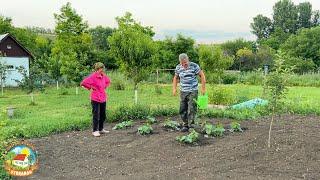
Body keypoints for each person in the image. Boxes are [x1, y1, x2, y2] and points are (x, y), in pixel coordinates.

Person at [172, 53, 206, 132]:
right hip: (183, 91)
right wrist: (174, 88)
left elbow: (202, 75)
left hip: (193, 90)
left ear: (188, 60)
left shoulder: (194, 66)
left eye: (185, 63)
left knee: (192, 108)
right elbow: (176, 78)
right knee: (182, 109)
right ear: (180, 62)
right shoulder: (178, 67)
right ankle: (185, 124)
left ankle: (191, 126)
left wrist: (203, 88)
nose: (184, 65)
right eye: (182, 63)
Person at [81, 62, 111, 137]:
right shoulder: (93, 76)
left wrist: (105, 87)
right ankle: (95, 130)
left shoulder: (103, 76)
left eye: (103, 68)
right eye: (101, 68)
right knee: (96, 115)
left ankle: (101, 129)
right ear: (97, 69)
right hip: (95, 98)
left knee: (103, 115)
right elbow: (83, 83)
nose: (102, 70)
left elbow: (108, 81)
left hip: (103, 97)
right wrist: (91, 87)